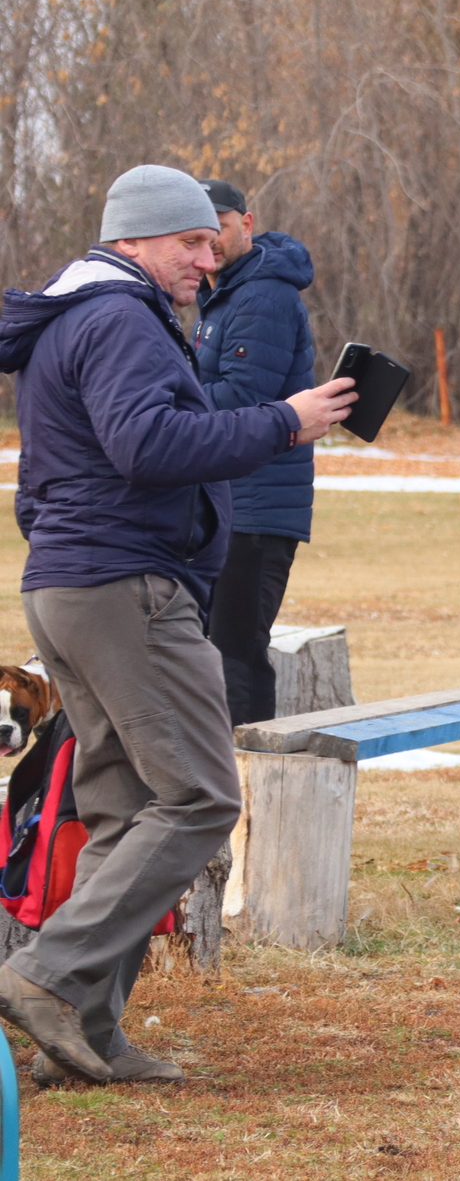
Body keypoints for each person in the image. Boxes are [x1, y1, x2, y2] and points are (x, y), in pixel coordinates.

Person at [0, 165, 354, 1084]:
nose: (209, 257)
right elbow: (147, 445)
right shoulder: (120, 318)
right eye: (191, 242)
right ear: (137, 240)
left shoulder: (80, 316)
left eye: (211, 239)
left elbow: (57, 479)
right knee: (202, 795)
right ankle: (45, 976)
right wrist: (286, 420)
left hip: (76, 585)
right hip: (126, 592)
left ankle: (85, 1033)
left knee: (122, 809)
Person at [192, 178, 318, 724]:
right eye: (195, 234)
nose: (209, 243)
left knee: (236, 653)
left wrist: (163, 398)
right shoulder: (220, 293)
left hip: (257, 507)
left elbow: (242, 398)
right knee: (217, 648)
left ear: (246, 222)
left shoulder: (263, 293)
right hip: (229, 498)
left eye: (218, 228)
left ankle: (248, 774)